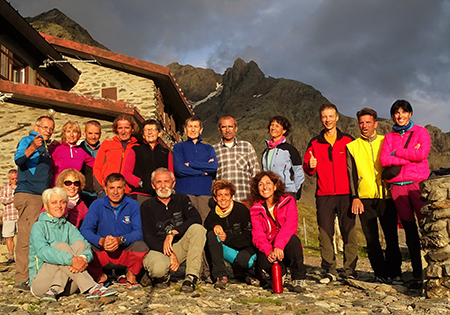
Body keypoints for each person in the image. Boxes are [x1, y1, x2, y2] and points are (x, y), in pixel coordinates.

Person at [29, 187, 117, 301]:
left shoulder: (69, 227)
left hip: (68, 285)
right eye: (54, 202)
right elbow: (43, 252)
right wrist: (71, 260)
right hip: (42, 284)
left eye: (62, 202)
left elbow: (86, 246)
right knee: (62, 246)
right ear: (46, 206)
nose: (59, 206)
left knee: (80, 244)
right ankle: (91, 286)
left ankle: (56, 287)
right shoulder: (39, 226)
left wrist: (83, 258)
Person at [303, 103, 358, 283]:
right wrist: (310, 167)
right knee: (325, 233)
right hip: (324, 194)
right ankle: (329, 270)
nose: (327, 120)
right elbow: (308, 167)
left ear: (337, 117)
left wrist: (355, 195)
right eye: (324, 116)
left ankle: (349, 269)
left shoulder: (348, 141)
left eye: (331, 116)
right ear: (321, 119)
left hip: (346, 194)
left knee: (348, 231)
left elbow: (355, 169)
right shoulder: (314, 142)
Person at [347, 108, 402, 284]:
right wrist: (355, 197)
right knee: (371, 239)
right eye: (361, 123)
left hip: (386, 196)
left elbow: (396, 162)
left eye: (368, 122)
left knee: (391, 237)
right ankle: (380, 273)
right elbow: (351, 174)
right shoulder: (352, 146)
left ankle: (395, 273)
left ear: (375, 124)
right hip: (365, 198)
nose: (364, 126)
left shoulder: (386, 141)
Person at [380, 100, 430, 290]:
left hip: (417, 185)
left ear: (410, 114)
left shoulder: (421, 132)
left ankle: (433, 265)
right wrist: (410, 153)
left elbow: (423, 154)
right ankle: (417, 270)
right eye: (396, 113)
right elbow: (385, 159)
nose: (400, 116)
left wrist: (398, 152)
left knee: (427, 226)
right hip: (398, 187)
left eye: (403, 112)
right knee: (409, 231)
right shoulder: (388, 137)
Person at [141, 168, 205, 293]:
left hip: (179, 245)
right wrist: (170, 254)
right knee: (158, 269)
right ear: (153, 185)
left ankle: (191, 277)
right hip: (158, 249)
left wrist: (174, 232)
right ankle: (162, 278)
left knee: (198, 229)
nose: (163, 186)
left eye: (166, 181)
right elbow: (148, 236)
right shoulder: (146, 206)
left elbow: (195, 218)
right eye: (159, 182)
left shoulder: (182, 199)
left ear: (173, 183)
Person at [80, 173, 148, 290]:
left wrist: (121, 240)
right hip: (103, 253)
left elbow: (139, 232)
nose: (115, 192)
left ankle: (131, 275)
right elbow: (85, 230)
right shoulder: (97, 205)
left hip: (124, 252)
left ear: (124, 189)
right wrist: (100, 240)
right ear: (106, 190)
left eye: (119, 188)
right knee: (83, 246)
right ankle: (100, 276)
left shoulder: (133, 205)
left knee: (142, 246)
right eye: (112, 188)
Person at [14, 115, 56, 289]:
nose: (48, 131)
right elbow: (18, 159)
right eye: (45, 127)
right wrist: (32, 146)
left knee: (38, 236)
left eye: (51, 129)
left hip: (41, 196)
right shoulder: (27, 140)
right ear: (37, 127)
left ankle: (36, 274)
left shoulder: (46, 147)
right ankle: (22, 278)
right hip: (29, 194)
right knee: (27, 236)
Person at [249, 171, 307, 292]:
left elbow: (290, 225)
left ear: (275, 186)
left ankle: (298, 278)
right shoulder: (255, 209)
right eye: (260, 184)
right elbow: (258, 234)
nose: (265, 187)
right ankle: (281, 273)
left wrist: (278, 245)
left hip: (285, 244)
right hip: (269, 246)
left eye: (268, 183)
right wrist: (269, 251)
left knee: (293, 241)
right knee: (262, 259)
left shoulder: (288, 201)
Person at [204, 180, 258, 289]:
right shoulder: (213, 213)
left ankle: (252, 274)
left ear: (231, 196)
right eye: (219, 195)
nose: (223, 198)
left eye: (226, 195)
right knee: (211, 236)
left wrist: (228, 238)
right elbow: (207, 224)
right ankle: (220, 275)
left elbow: (249, 237)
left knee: (244, 260)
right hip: (230, 250)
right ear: (215, 198)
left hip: (246, 248)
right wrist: (214, 226)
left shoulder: (242, 210)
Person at [173, 115, 218, 221]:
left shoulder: (208, 148)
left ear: (201, 129)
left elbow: (213, 167)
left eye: (196, 126)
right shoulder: (179, 147)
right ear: (185, 129)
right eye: (190, 126)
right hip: (185, 191)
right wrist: (203, 172)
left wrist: (191, 164)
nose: (193, 130)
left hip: (205, 191)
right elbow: (179, 169)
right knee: (187, 222)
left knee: (205, 221)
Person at [213, 115, 260, 207]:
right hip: (223, 201)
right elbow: (213, 177)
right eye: (224, 127)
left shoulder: (246, 146)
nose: (227, 130)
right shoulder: (214, 150)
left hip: (244, 197)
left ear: (236, 128)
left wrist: (253, 196)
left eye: (230, 126)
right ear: (219, 129)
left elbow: (256, 172)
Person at [123, 119, 174, 205]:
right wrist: (140, 183)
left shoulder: (165, 152)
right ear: (143, 135)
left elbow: (171, 173)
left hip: (162, 195)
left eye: (153, 129)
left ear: (159, 133)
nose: (150, 133)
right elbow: (126, 173)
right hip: (141, 194)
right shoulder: (135, 150)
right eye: (147, 130)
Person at [93, 114, 139, 197]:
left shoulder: (137, 148)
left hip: (128, 193)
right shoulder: (107, 144)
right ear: (116, 129)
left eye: (127, 128)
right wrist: (100, 189)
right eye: (120, 128)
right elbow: (97, 167)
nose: (123, 131)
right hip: (106, 191)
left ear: (132, 129)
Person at [262, 116, 304, 200]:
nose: (273, 128)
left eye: (277, 126)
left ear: (284, 130)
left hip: (287, 192)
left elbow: (299, 172)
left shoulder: (290, 150)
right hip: (270, 193)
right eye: (272, 125)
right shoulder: (266, 152)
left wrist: (294, 190)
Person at [51, 121, 95, 187]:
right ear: (64, 134)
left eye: (74, 132)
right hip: (57, 189)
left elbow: (97, 164)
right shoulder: (56, 149)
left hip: (73, 188)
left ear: (78, 134)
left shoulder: (81, 152)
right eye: (68, 131)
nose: (71, 135)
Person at [79, 120, 102, 207]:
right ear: (84, 134)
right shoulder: (78, 150)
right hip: (83, 194)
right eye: (90, 133)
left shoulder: (105, 150)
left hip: (100, 194)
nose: (93, 137)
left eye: (96, 133)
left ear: (100, 134)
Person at [0, 169, 18, 265]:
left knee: (21, 237)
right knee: (9, 237)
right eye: (12, 178)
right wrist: (14, 197)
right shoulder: (5, 187)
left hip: (19, 215)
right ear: (9, 178)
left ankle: (19, 256)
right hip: (9, 215)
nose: (14, 180)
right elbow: (3, 200)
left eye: (16, 178)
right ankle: (11, 257)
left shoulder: (21, 187)